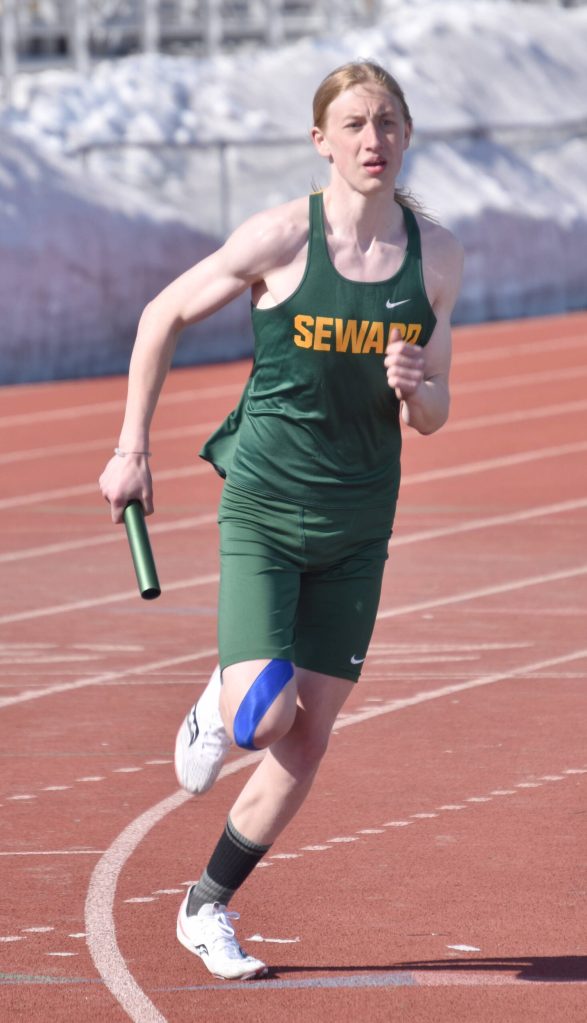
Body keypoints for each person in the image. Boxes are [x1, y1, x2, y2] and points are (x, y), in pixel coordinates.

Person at [99, 59, 463, 981]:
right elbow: (162, 313)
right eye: (353, 124)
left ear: (406, 134)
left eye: (387, 122)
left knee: (305, 740)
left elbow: (434, 410)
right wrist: (132, 448)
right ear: (320, 142)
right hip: (265, 505)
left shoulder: (435, 257)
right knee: (262, 721)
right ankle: (221, 700)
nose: (372, 139)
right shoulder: (281, 238)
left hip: (359, 523)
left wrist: (416, 389)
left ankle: (205, 906)